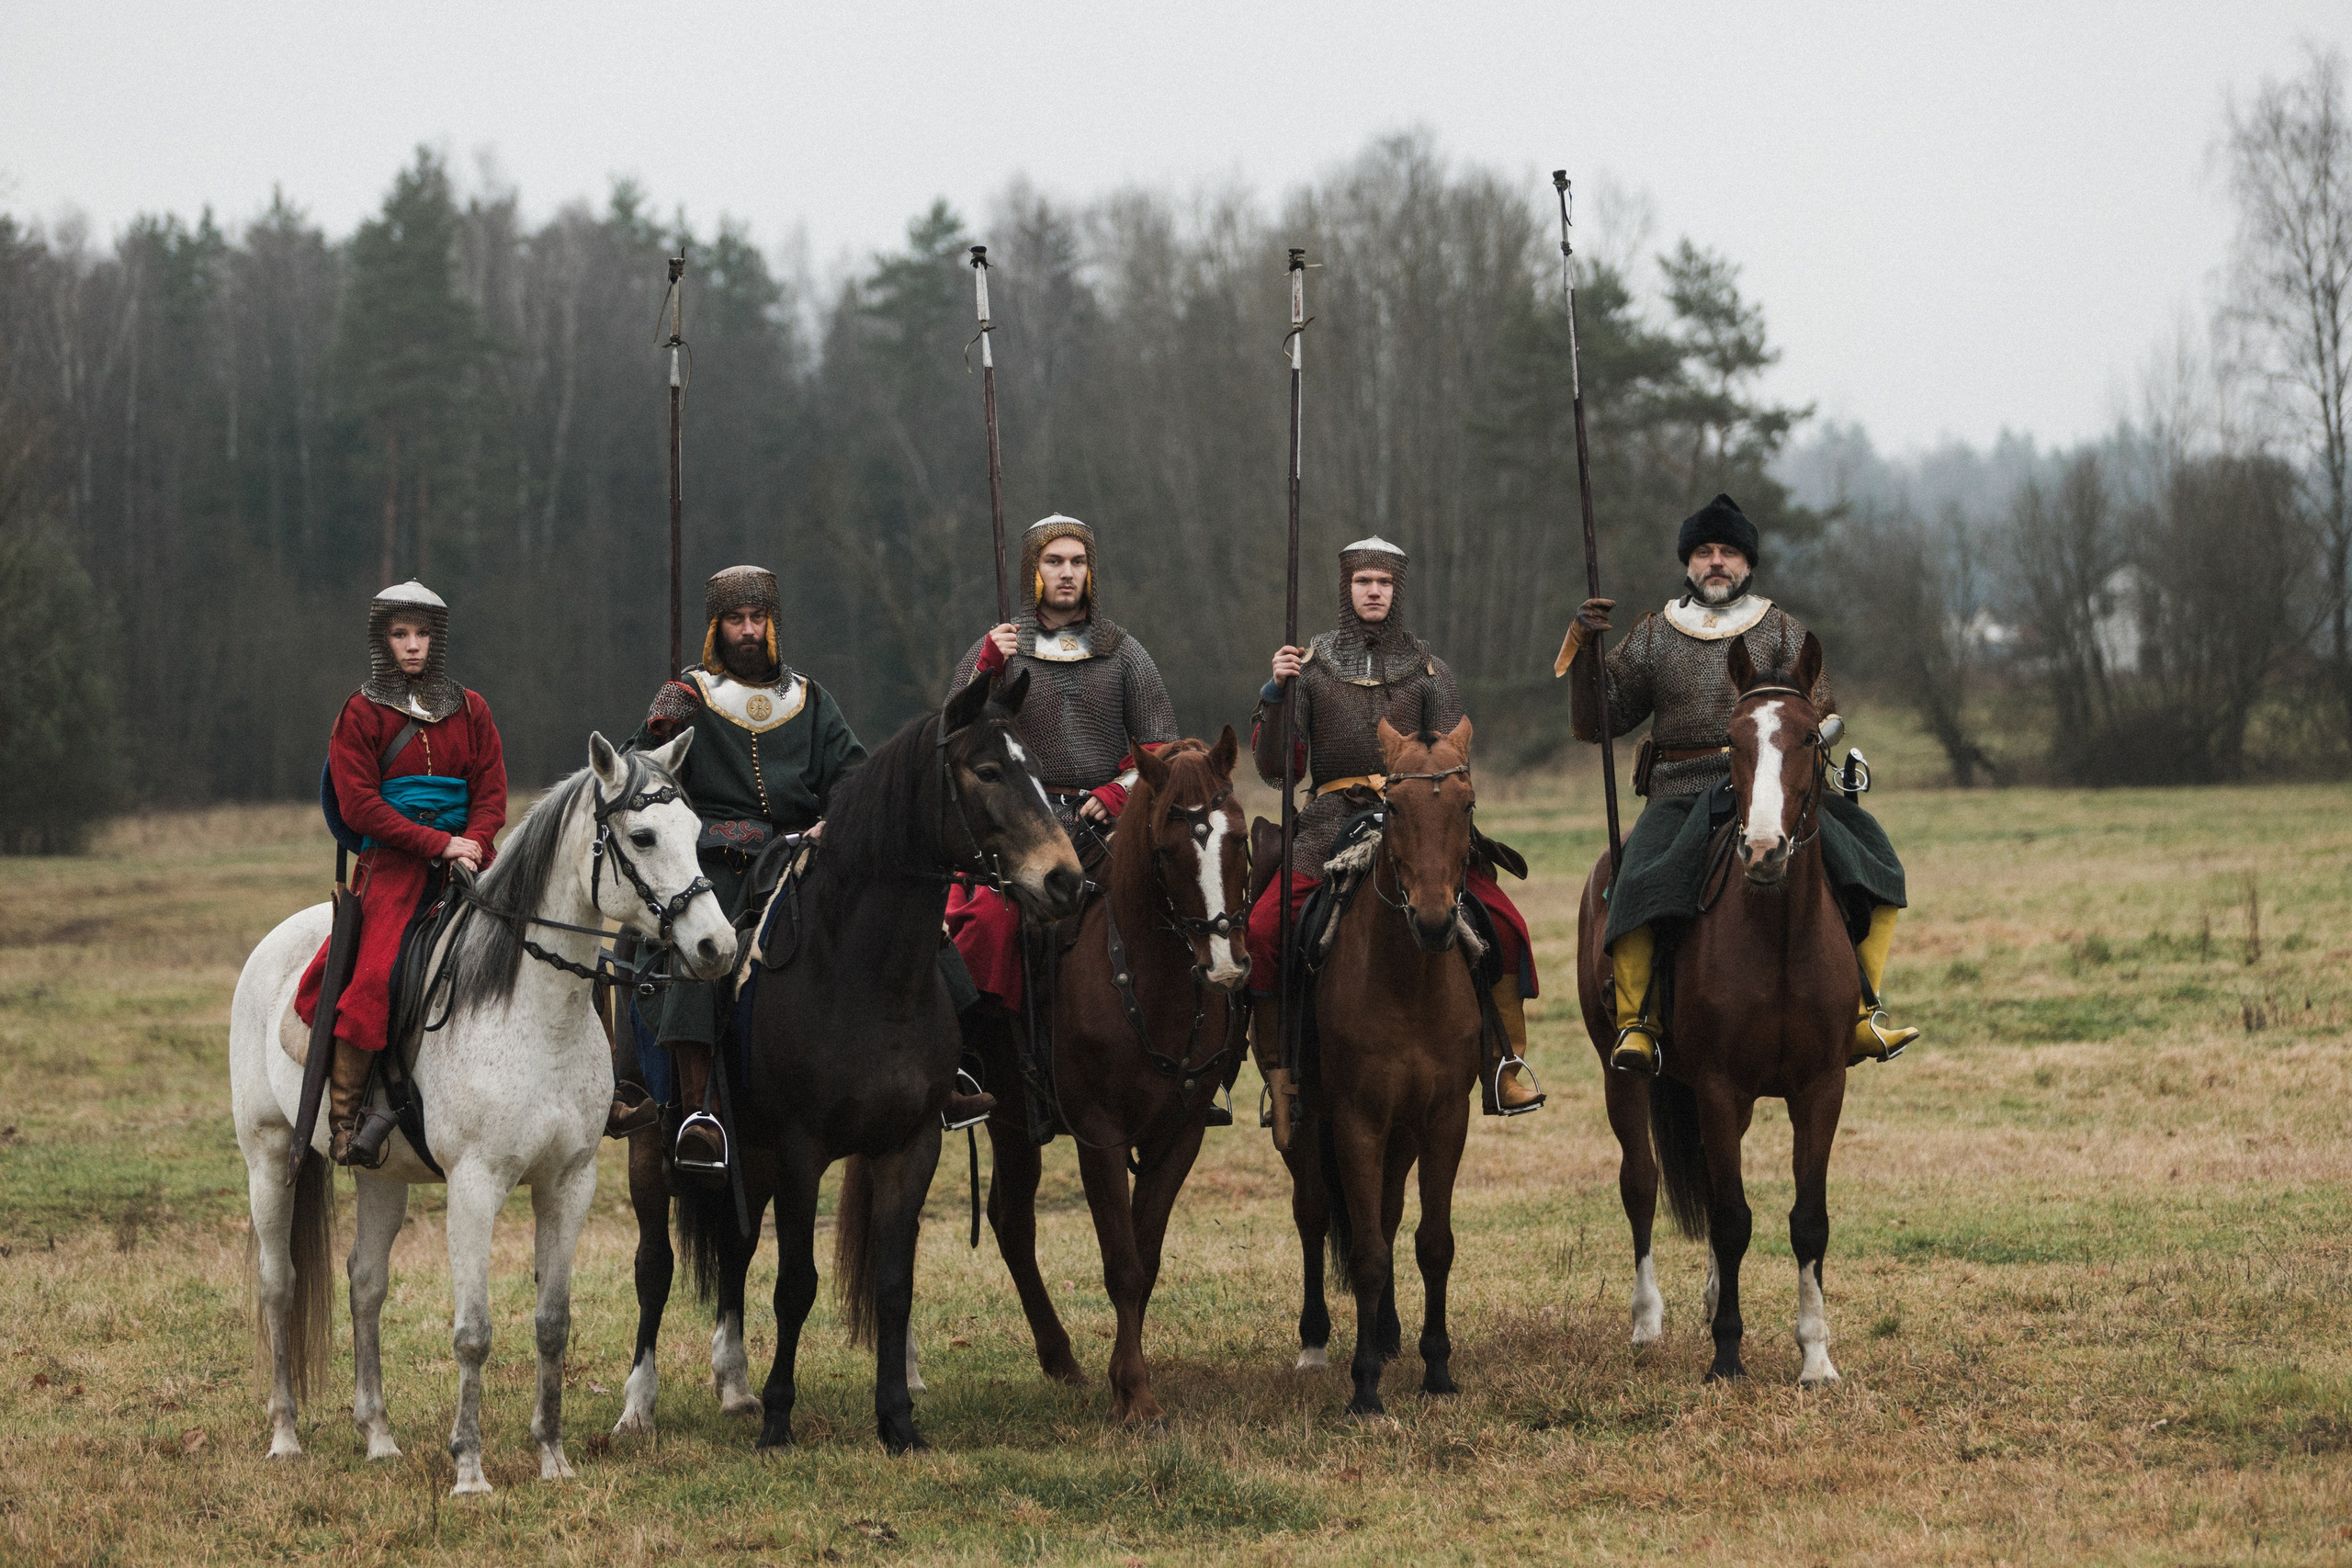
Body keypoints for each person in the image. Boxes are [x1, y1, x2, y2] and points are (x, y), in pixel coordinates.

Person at [1559, 492, 1917, 1075]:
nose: (1716, 562)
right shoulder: (1655, 635)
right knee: (1633, 881)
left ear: (1748, 564)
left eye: (1728, 551)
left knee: (1875, 861)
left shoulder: (1780, 629)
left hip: (1778, 789)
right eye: (1704, 552)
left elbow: (1822, 711)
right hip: (1679, 792)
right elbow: (1595, 721)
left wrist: (1809, 748)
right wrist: (1584, 651)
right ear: (1688, 563)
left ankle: (1860, 1012)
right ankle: (1637, 1024)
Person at [1249, 536, 1544, 1118]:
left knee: (1506, 927)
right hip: (1330, 818)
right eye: (1363, 582)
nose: (1374, 591)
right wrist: (1277, 694)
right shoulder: (1308, 667)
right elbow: (1277, 769)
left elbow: (1454, 766)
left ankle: (1504, 1064)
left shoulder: (1431, 673)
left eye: (1383, 582)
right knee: (1262, 930)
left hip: (1417, 818)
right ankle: (1279, 1073)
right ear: (1347, 589)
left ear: (1397, 589)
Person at [626, 565, 865, 1169]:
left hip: (800, 857)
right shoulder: (687, 693)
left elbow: (855, 777)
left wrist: (830, 824)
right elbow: (634, 776)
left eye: (759, 618)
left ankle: (937, 1069)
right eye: (737, 619)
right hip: (714, 865)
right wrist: (659, 731)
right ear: (717, 625)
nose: (750, 630)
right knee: (700, 946)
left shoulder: (811, 699)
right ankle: (699, 1106)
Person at [944, 515, 1186, 1106]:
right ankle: (976, 1061)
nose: (1068, 573)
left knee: (1185, 906)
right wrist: (985, 669)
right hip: (1023, 824)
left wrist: (1114, 794)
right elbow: (955, 734)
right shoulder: (998, 648)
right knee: (984, 926)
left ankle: (1190, 1061)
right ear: (1034, 571)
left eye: (1078, 562)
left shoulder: (1125, 653)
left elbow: (1161, 750)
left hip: (1108, 825)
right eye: (1055, 561)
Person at [297, 581, 509, 1167]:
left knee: (543, 937)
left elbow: (491, 792)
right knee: (371, 982)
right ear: (382, 641)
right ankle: (345, 1119)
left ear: (436, 640)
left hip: (470, 859)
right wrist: (438, 843)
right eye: (400, 634)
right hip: (393, 867)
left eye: (422, 634)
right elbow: (360, 805)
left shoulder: (472, 709)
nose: (412, 646)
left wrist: (474, 844)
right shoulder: (360, 713)